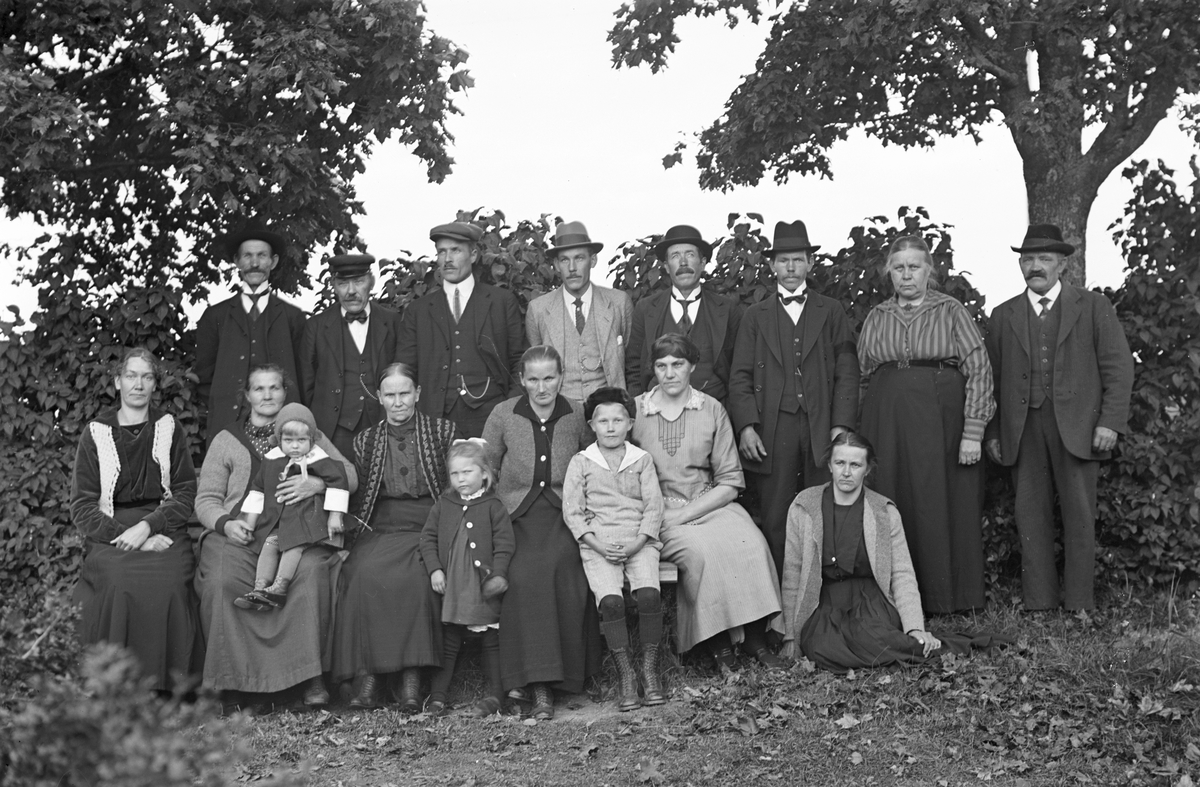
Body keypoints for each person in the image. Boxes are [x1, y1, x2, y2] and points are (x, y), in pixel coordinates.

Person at [985, 224, 1134, 611]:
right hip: (1023, 427)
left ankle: (1080, 603)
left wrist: (1109, 421)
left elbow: (1119, 368)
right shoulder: (1003, 315)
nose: (1035, 266)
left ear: (1063, 264)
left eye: (1044, 259)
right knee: (1030, 515)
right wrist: (995, 432)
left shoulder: (1094, 306)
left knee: (1079, 515)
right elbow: (993, 379)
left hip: (1080, 426)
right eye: (1027, 259)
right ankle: (1040, 603)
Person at [195, 364, 357, 710]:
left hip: (299, 529)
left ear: (285, 393)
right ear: (247, 395)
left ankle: (309, 677)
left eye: (275, 388)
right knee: (224, 580)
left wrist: (317, 483)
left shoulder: (306, 431)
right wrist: (226, 524)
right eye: (259, 388)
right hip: (243, 530)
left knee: (310, 574)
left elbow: (349, 475)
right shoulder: (226, 440)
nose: (267, 395)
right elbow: (206, 498)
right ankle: (231, 682)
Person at [781, 432, 1003, 672]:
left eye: (855, 465)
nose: (846, 472)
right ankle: (897, 651)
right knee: (821, 649)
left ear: (867, 469)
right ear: (829, 465)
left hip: (869, 602)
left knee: (871, 638)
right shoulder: (804, 506)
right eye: (840, 463)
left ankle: (913, 645)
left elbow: (902, 573)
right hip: (824, 602)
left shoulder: (884, 511)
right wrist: (790, 636)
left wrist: (915, 628)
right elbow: (792, 572)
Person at [857, 235, 995, 614]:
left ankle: (946, 598)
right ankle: (896, 598)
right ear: (889, 272)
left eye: (914, 267)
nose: (906, 275)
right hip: (888, 421)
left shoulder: (950, 310)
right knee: (892, 497)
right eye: (898, 267)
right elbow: (862, 377)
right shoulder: (877, 316)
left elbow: (979, 369)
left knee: (941, 500)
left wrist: (973, 432)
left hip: (940, 420)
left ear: (929, 271)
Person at [632, 333, 784, 669]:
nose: (669, 373)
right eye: (661, 366)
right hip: (661, 513)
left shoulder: (711, 408)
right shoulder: (637, 411)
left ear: (692, 366)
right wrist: (664, 514)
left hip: (708, 502)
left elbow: (730, 482)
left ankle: (756, 639)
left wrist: (687, 512)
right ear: (653, 369)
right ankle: (719, 645)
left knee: (752, 543)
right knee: (703, 553)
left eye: (678, 364)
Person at [728, 220, 860, 575]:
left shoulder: (830, 311)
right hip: (774, 427)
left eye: (798, 260)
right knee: (776, 515)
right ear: (772, 265)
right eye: (783, 260)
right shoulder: (755, 316)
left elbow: (848, 372)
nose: (790, 267)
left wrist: (841, 425)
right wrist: (747, 427)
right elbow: (739, 376)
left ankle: (822, 593)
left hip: (821, 426)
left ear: (810, 263)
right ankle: (780, 599)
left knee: (824, 508)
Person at [481, 345, 602, 722]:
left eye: (549, 378)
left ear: (561, 377)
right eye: (533, 379)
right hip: (515, 516)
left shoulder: (577, 413)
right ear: (522, 380)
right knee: (521, 573)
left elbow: (594, 464)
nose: (542, 387)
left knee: (562, 567)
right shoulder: (503, 413)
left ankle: (560, 680)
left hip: (564, 514)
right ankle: (533, 684)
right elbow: (486, 468)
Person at [70, 348, 200, 692]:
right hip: (111, 530)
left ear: (155, 384)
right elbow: (82, 507)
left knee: (170, 581)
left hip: (164, 525)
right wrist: (133, 536)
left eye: (146, 377)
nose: (138, 384)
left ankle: (165, 687)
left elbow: (185, 493)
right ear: (118, 382)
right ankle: (114, 684)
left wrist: (148, 527)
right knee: (119, 579)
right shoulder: (96, 432)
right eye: (131, 376)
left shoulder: (169, 427)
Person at [331, 363, 458, 712]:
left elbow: (455, 486)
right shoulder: (366, 440)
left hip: (429, 521)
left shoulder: (442, 432)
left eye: (405, 393)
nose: (398, 402)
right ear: (379, 397)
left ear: (417, 394)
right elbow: (360, 496)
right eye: (390, 395)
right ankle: (370, 677)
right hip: (382, 524)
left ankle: (411, 679)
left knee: (417, 575)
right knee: (362, 573)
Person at [564, 387, 666, 711]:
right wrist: (597, 545)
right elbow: (573, 512)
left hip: (639, 541)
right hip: (599, 544)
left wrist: (638, 542)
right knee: (611, 603)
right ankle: (626, 676)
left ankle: (649, 672)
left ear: (630, 423)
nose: (610, 428)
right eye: (603, 421)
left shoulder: (641, 460)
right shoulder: (581, 462)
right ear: (592, 425)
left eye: (618, 420)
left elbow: (654, 507)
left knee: (649, 596)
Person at [399, 221, 526, 438]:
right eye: (441, 252)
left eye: (455, 250)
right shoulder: (417, 311)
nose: (447, 259)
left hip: (492, 418)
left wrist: (509, 412)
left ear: (474, 255)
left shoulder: (502, 301)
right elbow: (405, 371)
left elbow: (520, 362)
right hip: (434, 421)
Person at [420, 439, 516, 717]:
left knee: (490, 636)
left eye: (467, 472)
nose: (460, 479)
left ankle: (496, 695)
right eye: (455, 473)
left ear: (484, 473)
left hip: (480, 584)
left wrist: (498, 575)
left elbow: (505, 544)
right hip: (453, 583)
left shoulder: (493, 506)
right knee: (450, 637)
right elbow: (427, 538)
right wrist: (435, 569)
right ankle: (438, 698)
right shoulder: (444, 503)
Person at [195, 221, 306, 444]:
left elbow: (303, 378)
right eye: (247, 256)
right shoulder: (215, 316)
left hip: (283, 429)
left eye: (262, 256)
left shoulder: (293, 317)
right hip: (228, 425)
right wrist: (226, 402)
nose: (254, 263)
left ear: (273, 261)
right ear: (237, 261)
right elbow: (204, 377)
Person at [231, 404, 348, 611]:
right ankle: (260, 588)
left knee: (292, 544)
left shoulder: (317, 457)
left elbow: (339, 481)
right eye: (288, 441)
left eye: (301, 441)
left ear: (311, 439)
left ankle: (279, 587)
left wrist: (335, 515)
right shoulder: (272, 458)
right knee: (270, 543)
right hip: (280, 520)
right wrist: (249, 520)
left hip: (307, 518)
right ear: (279, 439)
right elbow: (258, 488)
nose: (295, 446)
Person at [300, 253, 402, 458]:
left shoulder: (393, 321)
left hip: (384, 425)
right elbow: (306, 384)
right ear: (333, 285)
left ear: (371, 282)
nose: (351, 291)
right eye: (343, 283)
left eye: (358, 282)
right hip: (333, 431)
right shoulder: (316, 326)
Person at [626, 224, 742, 401]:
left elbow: (739, 369)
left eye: (690, 254)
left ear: (702, 263)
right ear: (666, 266)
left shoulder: (727, 309)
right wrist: (638, 409)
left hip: (713, 409)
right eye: (675, 256)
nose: (683, 263)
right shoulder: (645, 308)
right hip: (657, 410)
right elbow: (633, 366)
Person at [525, 222, 632, 402]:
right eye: (564, 260)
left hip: (609, 409)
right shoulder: (538, 309)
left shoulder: (618, 303)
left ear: (593, 260)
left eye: (579, 258)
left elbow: (631, 363)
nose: (572, 268)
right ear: (556, 264)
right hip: (559, 410)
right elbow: (534, 367)